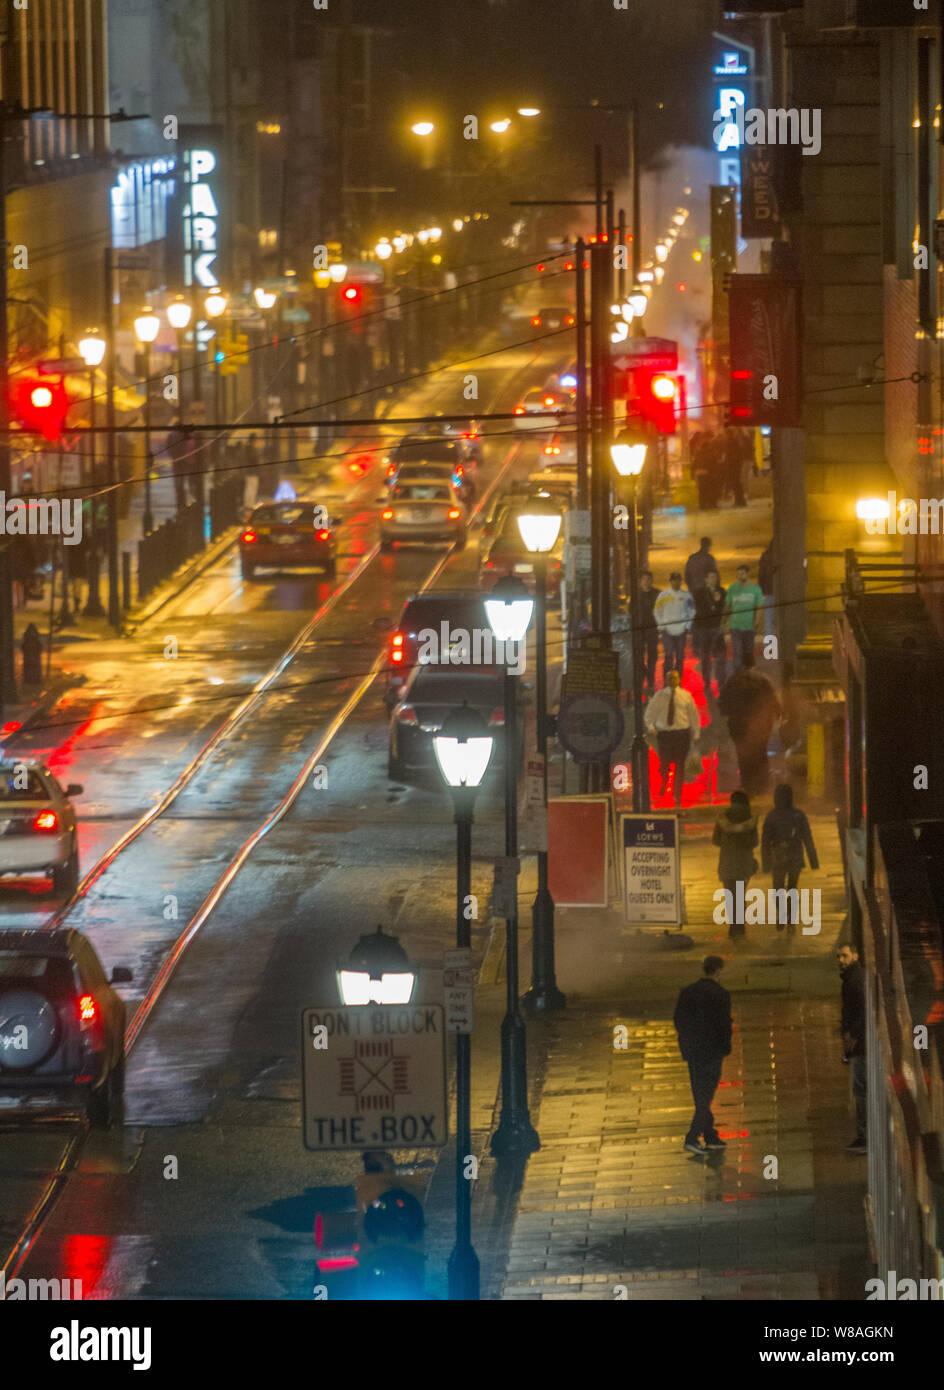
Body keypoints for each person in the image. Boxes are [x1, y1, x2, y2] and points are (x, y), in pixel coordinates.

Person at [673, 955, 732, 1155]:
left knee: (700, 1093)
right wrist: (725, 1048)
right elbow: (724, 1025)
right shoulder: (721, 994)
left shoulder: (688, 992)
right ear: (718, 971)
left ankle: (710, 1135)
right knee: (705, 1097)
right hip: (712, 1051)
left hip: (693, 1051)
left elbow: (679, 1020)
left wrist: (686, 1043)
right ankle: (692, 1137)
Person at [718, 655, 781, 797]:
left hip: (739, 724)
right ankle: (761, 784)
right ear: (753, 665)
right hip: (761, 725)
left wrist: (729, 714)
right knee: (760, 753)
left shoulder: (734, 681)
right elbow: (772, 699)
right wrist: (777, 715)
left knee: (743, 754)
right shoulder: (763, 680)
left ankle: (748, 783)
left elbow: (722, 702)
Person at [762, 784, 819, 930]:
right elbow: (807, 838)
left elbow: (765, 841)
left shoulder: (771, 816)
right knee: (792, 888)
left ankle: (782, 915)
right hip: (795, 856)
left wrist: (765, 862)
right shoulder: (798, 815)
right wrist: (813, 860)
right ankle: (791, 920)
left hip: (778, 858)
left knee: (778, 889)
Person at [645, 669, 700, 806]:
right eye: (670, 678)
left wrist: (696, 732)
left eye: (675, 678)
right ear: (666, 680)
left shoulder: (686, 696)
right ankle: (664, 783)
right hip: (665, 734)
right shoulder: (660, 696)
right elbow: (650, 712)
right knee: (665, 762)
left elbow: (693, 714)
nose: (673, 681)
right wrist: (651, 727)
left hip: (681, 733)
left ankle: (677, 793)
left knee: (680, 764)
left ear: (679, 680)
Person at [713, 790, 759, 939]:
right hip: (744, 864)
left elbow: (716, 841)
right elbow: (754, 842)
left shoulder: (722, 818)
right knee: (740, 895)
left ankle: (733, 927)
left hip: (727, 863)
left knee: (729, 895)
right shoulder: (750, 818)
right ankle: (740, 927)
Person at [837, 943, 867, 1154]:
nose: (841, 960)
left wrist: (852, 1035)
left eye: (845, 956)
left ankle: (864, 1137)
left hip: (860, 1045)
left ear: (855, 955)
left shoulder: (855, 979)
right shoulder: (852, 978)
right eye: (839, 956)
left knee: (861, 1089)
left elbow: (862, 1010)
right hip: (859, 1043)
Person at [654, 571, 695, 683]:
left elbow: (691, 611)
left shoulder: (686, 596)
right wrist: (661, 625)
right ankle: (667, 680)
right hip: (667, 631)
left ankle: (678, 681)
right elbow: (657, 611)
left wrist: (687, 626)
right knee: (668, 656)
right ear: (670, 581)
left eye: (678, 580)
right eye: (674, 580)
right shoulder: (663, 595)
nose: (676, 582)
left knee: (680, 657)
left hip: (681, 631)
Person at [724, 563, 764, 669]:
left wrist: (758, 620)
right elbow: (728, 606)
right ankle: (738, 674)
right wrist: (724, 622)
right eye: (738, 574)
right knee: (737, 651)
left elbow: (759, 607)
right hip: (735, 626)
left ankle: (748, 671)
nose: (740, 576)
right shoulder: (732, 589)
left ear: (747, 574)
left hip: (749, 626)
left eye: (742, 574)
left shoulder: (755, 590)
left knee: (748, 651)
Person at [694, 569, 727, 696]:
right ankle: (707, 684)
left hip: (717, 628)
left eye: (715, 577)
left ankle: (721, 684)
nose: (714, 579)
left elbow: (724, 608)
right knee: (706, 658)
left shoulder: (722, 591)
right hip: (704, 629)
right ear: (706, 579)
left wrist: (718, 601)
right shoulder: (699, 593)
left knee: (720, 658)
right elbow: (699, 611)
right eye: (711, 577)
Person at [636, 569, 659, 694]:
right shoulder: (636, 595)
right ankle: (643, 675)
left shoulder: (657, 594)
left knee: (652, 657)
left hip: (652, 629)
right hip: (639, 630)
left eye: (648, 579)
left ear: (652, 581)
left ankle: (650, 681)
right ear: (640, 581)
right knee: (639, 657)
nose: (646, 582)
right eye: (644, 579)